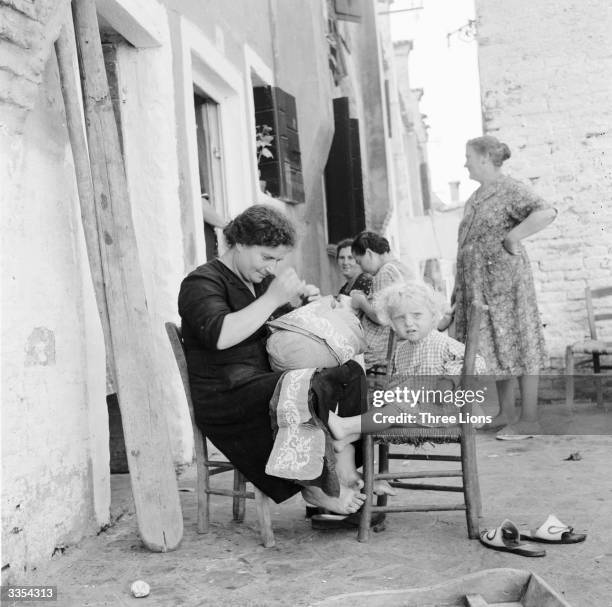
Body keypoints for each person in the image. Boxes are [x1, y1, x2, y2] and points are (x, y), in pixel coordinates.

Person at [178, 205, 397, 514]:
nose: (271, 267)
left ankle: (344, 470)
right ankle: (316, 486)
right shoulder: (201, 283)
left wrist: (314, 309)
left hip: (264, 379)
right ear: (238, 243)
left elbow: (281, 331)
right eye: (266, 257)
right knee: (305, 386)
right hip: (227, 393)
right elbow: (220, 335)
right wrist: (272, 299)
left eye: (278, 260)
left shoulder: (260, 282)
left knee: (347, 371)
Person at [454, 135, 557, 436]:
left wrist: (513, 237)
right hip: (480, 287)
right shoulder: (476, 197)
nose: (465, 163)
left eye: (469, 157)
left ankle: (529, 419)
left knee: (520, 344)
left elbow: (546, 211)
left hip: (507, 286)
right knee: (500, 347)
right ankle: (506, 412)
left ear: (485, 158)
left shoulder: (509, 189)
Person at [349, 231, 414, 370]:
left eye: (359, 261)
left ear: (369, 254)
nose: (361, 268)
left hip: (382, 356)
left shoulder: (384, 273)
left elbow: (380, 316)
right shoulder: (401, 268)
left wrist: (361, 301)